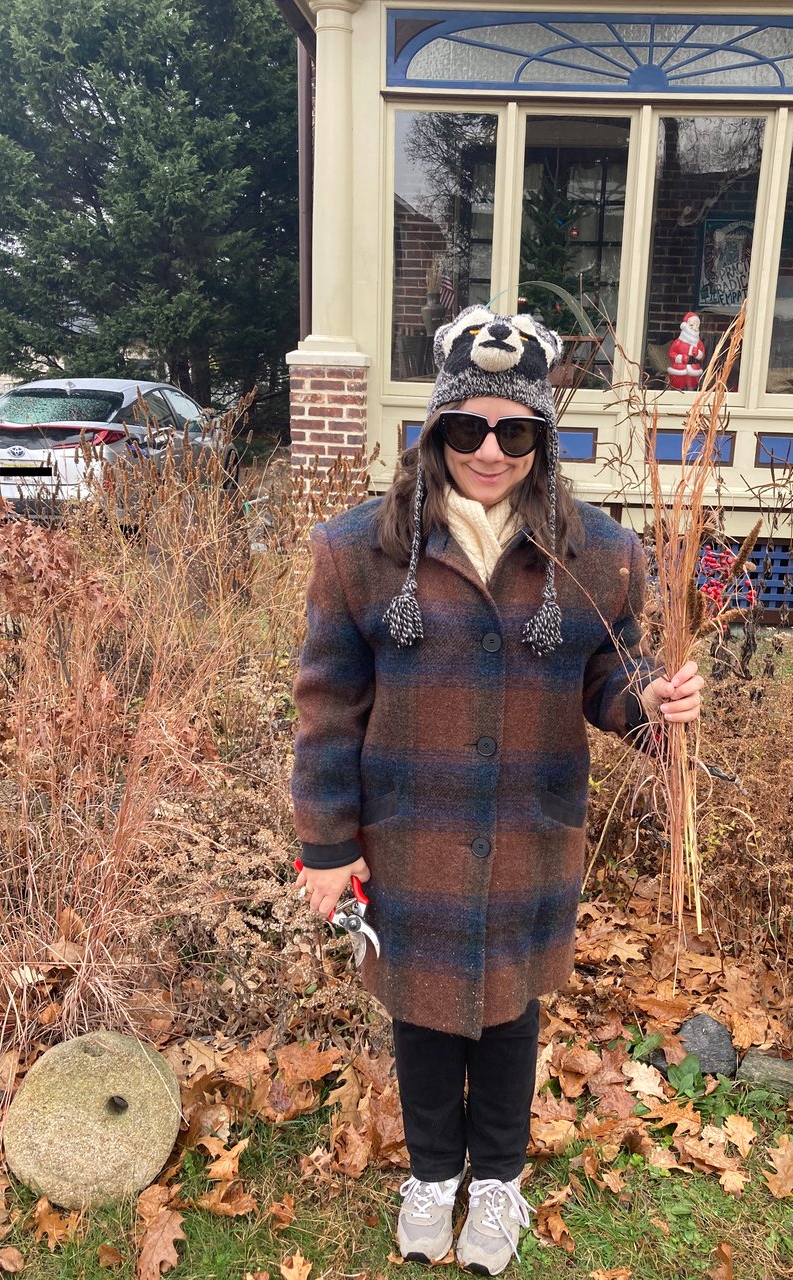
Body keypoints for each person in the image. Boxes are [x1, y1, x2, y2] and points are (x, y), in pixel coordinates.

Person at [291, 305, 703, 1275]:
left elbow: (611, 676)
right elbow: (326, 708)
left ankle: (500, 1182)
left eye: (514, 430)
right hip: (407, 836)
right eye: (466, 427)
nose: (489, 449)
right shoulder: (360, 552)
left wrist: (656, 699)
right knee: (423, 1014)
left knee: (511, 1013)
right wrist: (325, 844)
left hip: (528, 833)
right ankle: (434, 1176)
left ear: (540, 439)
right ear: (433, 430)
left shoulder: (597, 553)